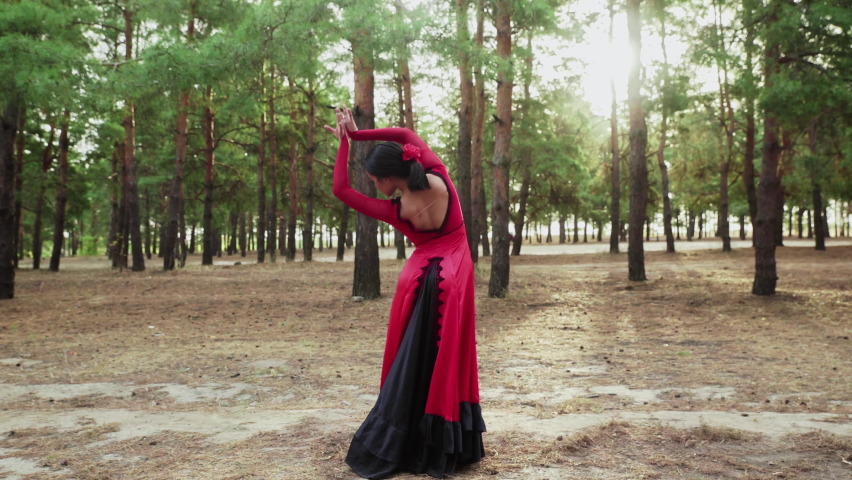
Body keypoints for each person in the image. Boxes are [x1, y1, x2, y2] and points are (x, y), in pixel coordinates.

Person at [325, 107, 485, 479]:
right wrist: (358, 134)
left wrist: (344, 144)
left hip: (418, 278)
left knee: (410, 354)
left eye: (373, 180)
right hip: (453, 274)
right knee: (446, 356)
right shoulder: (438, 174)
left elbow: (340, 190)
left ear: (387, 178)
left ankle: (400, 436)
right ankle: (445, 442)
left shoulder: (396, 210)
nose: (373, 187)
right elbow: (403, 133)